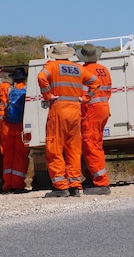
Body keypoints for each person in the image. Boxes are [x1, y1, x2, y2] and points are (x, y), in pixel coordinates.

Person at [37, 44, 98, 197]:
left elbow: (41, 77)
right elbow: (95, 82)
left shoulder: (52, 66)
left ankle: (60, 187)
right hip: (75, 110)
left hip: (59, 110)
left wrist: (48, 96)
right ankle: (75, 185)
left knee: (54, 147)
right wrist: (85, 98)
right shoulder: (77, 68)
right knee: (73, 149)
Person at [77, 43, 112, 195]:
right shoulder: (103, 69)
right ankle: (92, 178)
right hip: (103, 109)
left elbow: (82, 95)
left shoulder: (84, 71)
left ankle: (101, 182)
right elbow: (108, 90)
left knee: (90, 145)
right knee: (95, 144)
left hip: (91, 110)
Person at [0, 66, 30, 193]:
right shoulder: (27, 90)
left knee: (7, 155)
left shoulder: (5, 88)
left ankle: (7, 185)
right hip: (21, 126)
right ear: (24, 78)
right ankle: (17, 185)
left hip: (6, 126)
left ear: (13, 78)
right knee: (21, 156)